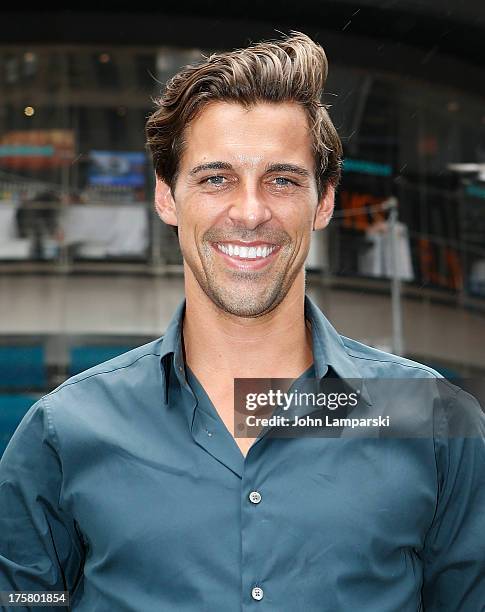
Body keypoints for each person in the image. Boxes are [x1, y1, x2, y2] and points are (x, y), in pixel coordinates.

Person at [1, 32, 484, 612]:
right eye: (215, 178)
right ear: (167, 198)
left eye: (282, 180)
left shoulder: (430, 418)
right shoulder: (64, 431)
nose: (251, 212)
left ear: (324, 202)